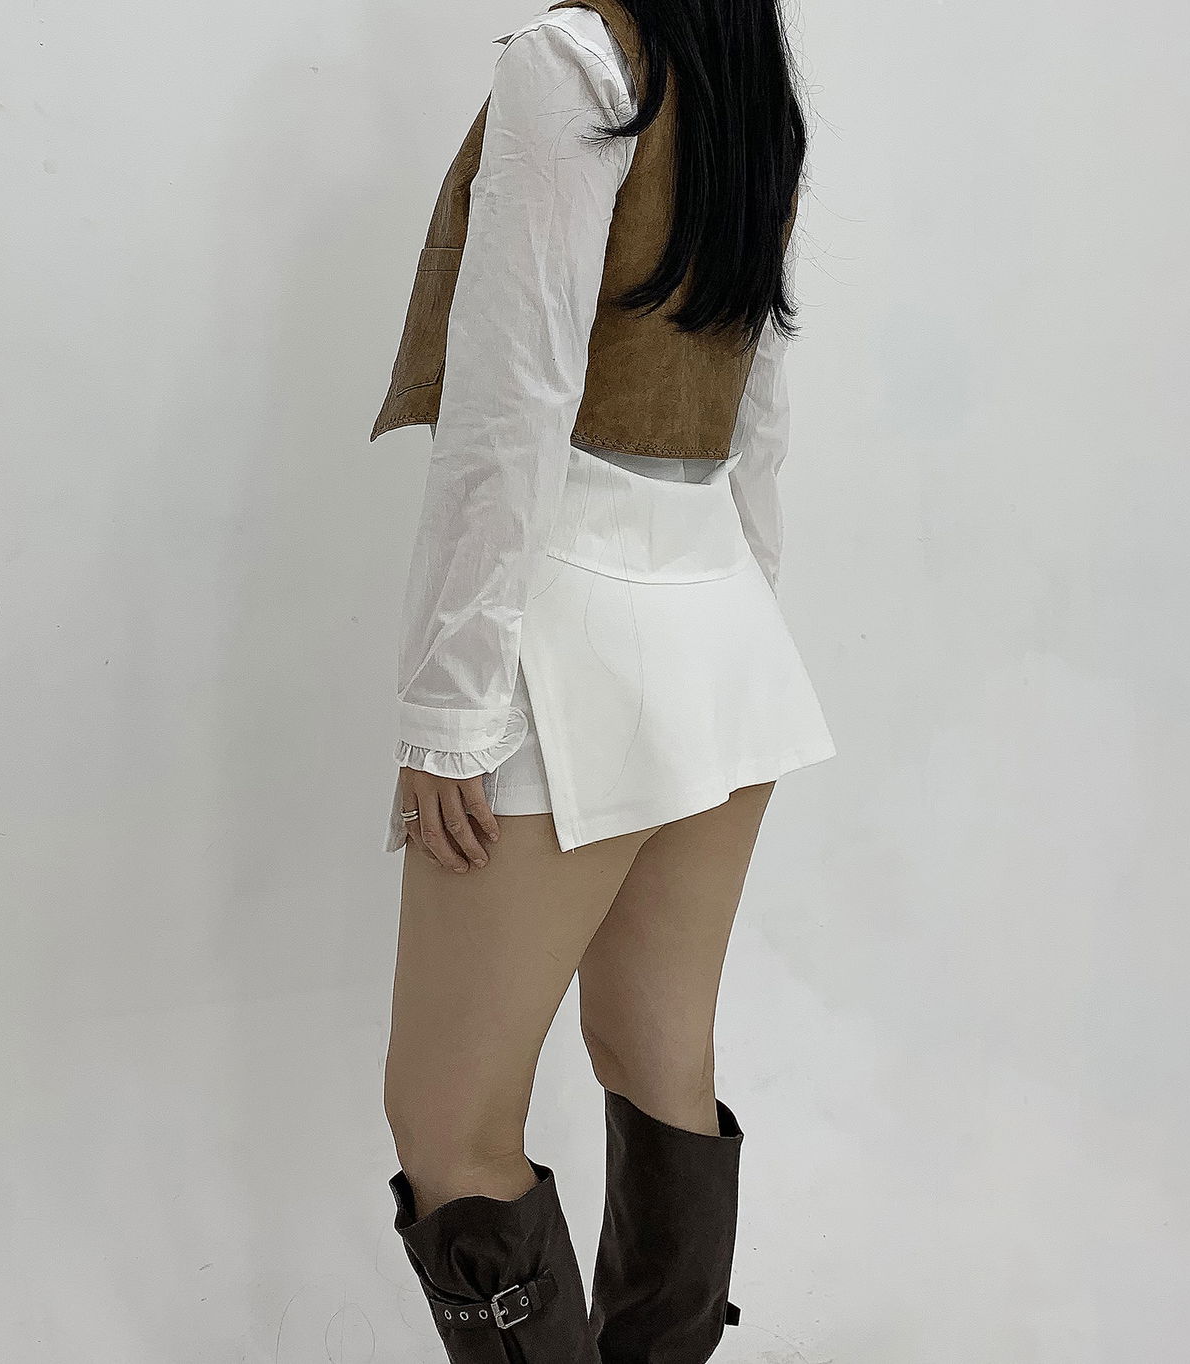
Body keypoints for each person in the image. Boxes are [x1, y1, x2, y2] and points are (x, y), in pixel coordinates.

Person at [368, 1, 834, 1359]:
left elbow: (513, 398)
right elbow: (759, 400)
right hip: (719, 621)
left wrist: (450, 706)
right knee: (657, 1057)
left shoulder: (570, 59)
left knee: (447, 1121)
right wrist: (734, 616)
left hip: (566, 624)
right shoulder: (744, 68)